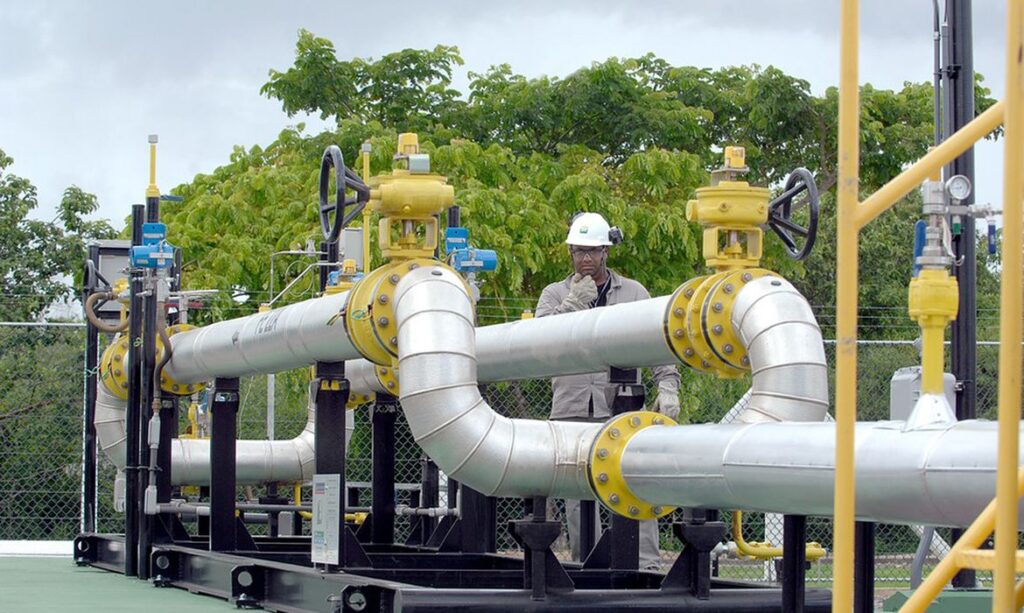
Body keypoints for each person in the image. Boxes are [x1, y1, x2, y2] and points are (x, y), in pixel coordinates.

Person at [535, 212, 681, 571]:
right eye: (579, 251)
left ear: (606, 252)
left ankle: (645, 566)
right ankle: (588, 564)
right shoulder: (554, 294)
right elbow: (536, 345)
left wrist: (668, 385)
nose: (585, 259)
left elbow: (658, 342)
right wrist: (572, 304)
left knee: (634, 483)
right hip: (571, 408)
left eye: (593, 251)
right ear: (570, 253)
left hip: (622, 408)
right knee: (576, 493)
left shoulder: (634, 293)